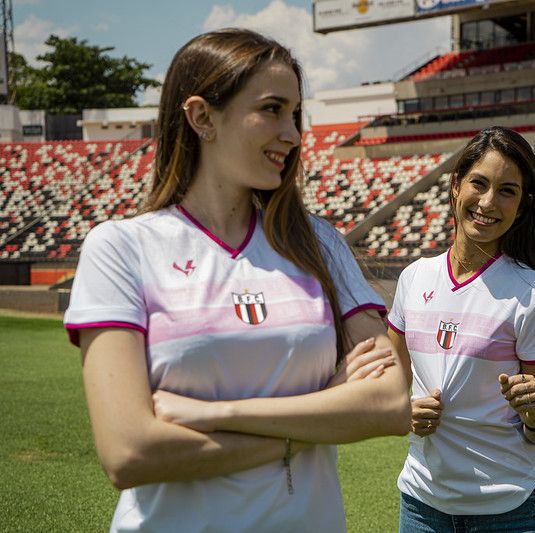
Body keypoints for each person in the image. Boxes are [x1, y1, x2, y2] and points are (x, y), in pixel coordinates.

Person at [64, 28, 410, 532]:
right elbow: (129, 452)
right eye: (272, 109)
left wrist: (215, 412)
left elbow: (389, 404)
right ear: (202, 117)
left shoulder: (320, 244)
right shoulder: (120, 248)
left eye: (295, 114)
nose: (292, 134)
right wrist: (312, 424)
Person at [387, 126, 535, 532]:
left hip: (513, 510)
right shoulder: (414, 278)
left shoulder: (532, 295)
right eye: (479, 184)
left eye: (507, 191)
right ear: (455, 186)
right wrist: (404, 412)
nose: (488, 202)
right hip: (421, 506)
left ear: (521, 206)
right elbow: (389, 385)